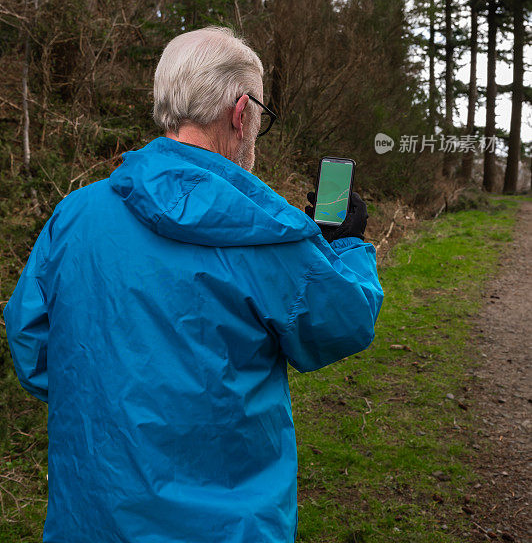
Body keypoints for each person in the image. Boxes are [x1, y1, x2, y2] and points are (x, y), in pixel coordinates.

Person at [4, 26, 383, 543]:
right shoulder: (269, 237)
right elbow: (342, 323)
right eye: (260, 118)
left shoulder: (75, 214)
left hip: (92, 519)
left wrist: (108, 401)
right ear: (241, 112)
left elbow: (32, 344)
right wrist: (347, 247)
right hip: (227, 527)